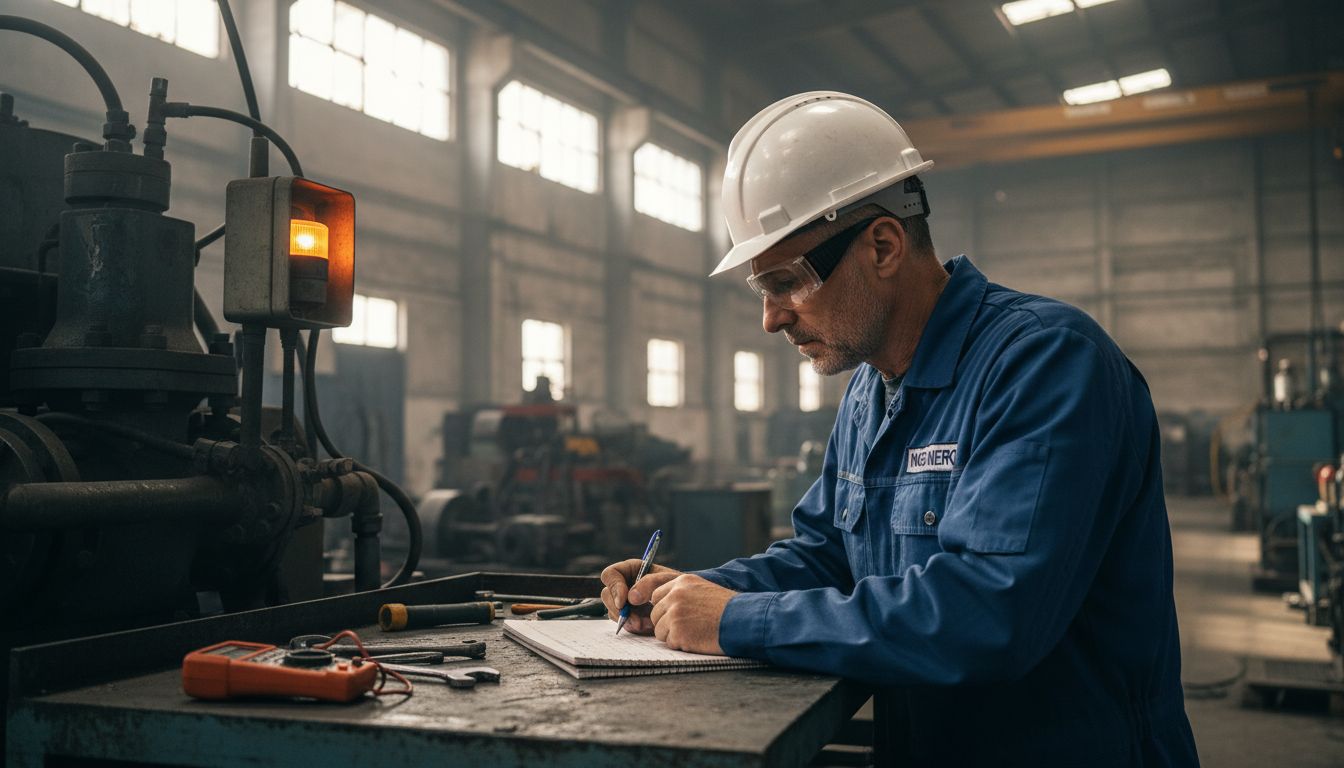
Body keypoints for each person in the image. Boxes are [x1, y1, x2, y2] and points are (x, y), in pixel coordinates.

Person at [600, 92, 1199, 766]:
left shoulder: (1046, 364)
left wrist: (737, 620)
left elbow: (991, 615)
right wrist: (689, 592)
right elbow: (828, 557)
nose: (770, 319)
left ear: (882, 245)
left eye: (784, 282)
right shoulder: (868, 391)